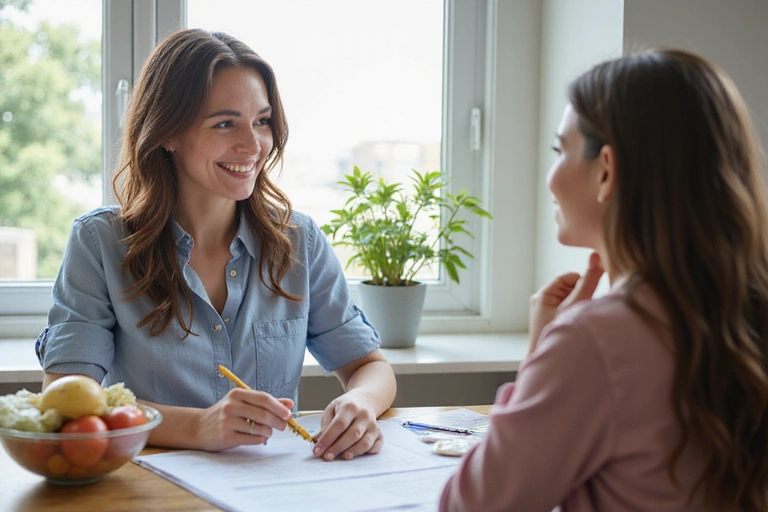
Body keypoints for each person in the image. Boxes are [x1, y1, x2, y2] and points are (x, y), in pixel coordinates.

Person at [35, 28, 397, 460]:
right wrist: (199, 426)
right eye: (225, 124)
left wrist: (361, 403)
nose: (253, 145)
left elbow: (370, 366)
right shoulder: (99, 243)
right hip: (150, 491)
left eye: (261, 121)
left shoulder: (299, 242)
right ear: (167, 133)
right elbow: (65, 400)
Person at [440, 48, 768, 512]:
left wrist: (545, 352)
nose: (550, 177)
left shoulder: (595, 341)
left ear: (607, 171)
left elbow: (470, 506)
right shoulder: (744, 309)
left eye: (560, 150)